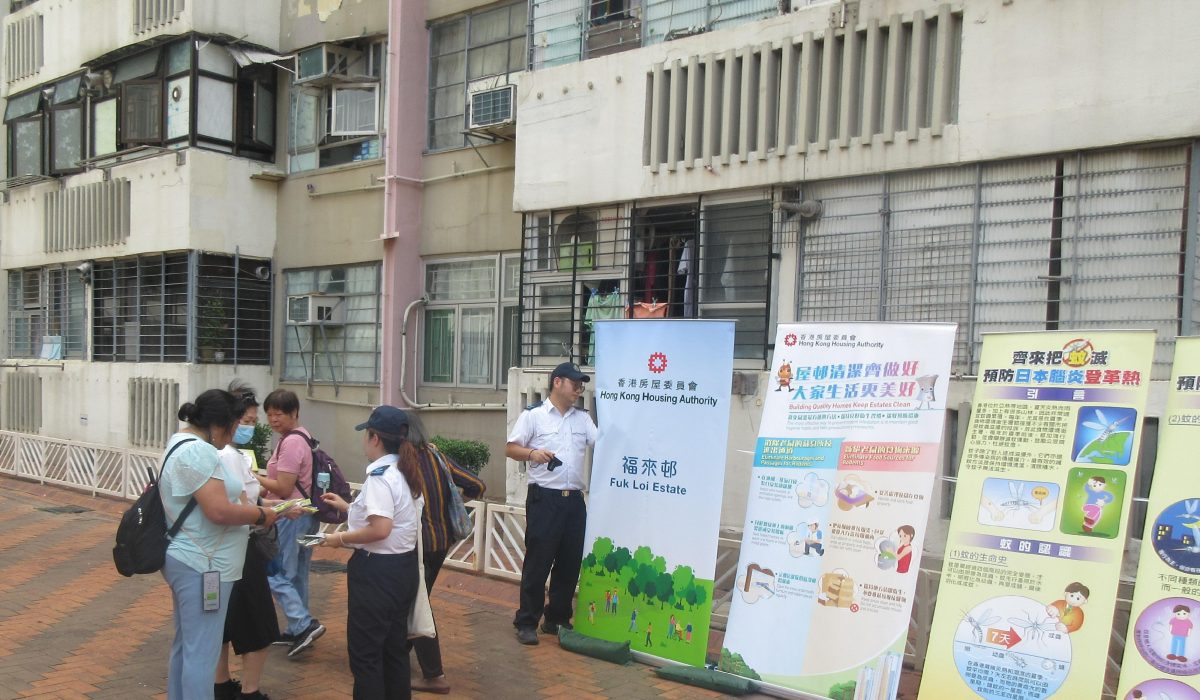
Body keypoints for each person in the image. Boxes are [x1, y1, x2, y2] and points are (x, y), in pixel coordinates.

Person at [159, 389, 280, 700]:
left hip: (191, 558)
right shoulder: (198, 452)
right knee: (202, 652)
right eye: (234, 425)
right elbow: (218, 511)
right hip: (203, 564)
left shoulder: (180, 443)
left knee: (188, 645)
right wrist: (262, 514)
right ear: (220, 423)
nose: (233, 434)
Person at [318, 406, 422, 700]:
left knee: (366, 657)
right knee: (394, 652)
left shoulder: (380, 476)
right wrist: (348, 507)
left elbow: (380, 529)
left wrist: (339, 539)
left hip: (377, 574)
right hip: (402, 569)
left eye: (367, 434)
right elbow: (392, 517)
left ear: (375, 438)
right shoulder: (405, 471)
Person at [505, 362, 598, 645]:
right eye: (575, 384)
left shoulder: (582, 419)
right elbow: (511, 448)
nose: (579, 390)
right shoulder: (533, 416)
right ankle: (526, 621)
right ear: (558, 382)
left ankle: (557, 619)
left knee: (569, 563)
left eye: (582, 385)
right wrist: (532, 453)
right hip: (544, 498)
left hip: (574, 502)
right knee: (539, 561)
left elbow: (603, 443)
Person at [215, 381, 296, 700]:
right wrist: (269, 512)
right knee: (259, 621)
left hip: (214, 550)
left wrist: (277, 507)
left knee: (219, 618)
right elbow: (243, 504)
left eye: (253, 422)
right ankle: (251, 691)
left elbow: (250, 499)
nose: (250, 428)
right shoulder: (228, 456)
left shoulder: (207, 451)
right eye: (246, 422)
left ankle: (221, 684)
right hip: (240, 546)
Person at [402, 412, 486, 694]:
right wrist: (454, 500)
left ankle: (434, 675)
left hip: (417, 545)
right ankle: (398, 653)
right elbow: (477, 485)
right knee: (414, 600)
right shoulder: (435, 455)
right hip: (441, 542)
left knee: (418, 605)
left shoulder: (400, 462)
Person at [254, 389, 325, 657]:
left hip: (291, 514)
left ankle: (303, 624)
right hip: (306, 514)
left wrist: (254, 477)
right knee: (297, 573)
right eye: (269, 414)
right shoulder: (301, 437)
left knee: (278, 573)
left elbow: (283, 488)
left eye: (279, 413)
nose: (273, 419)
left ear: (294, 412)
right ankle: (298, 628)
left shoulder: (293, 442)